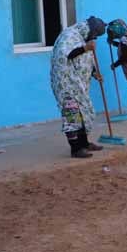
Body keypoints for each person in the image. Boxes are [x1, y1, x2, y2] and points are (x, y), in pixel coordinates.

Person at [50, 16, 106, 158]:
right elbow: (65, 55)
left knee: (82, 113)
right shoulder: (69, 36)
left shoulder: (81, 39)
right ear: (89, 30)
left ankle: (84, 144)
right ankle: (75, 149)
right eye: (94, 35)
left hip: (78, 86)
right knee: (72, 115)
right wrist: (85, 48)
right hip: (66, 84)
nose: (93, 38)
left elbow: (84, 60)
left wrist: (95, 73)